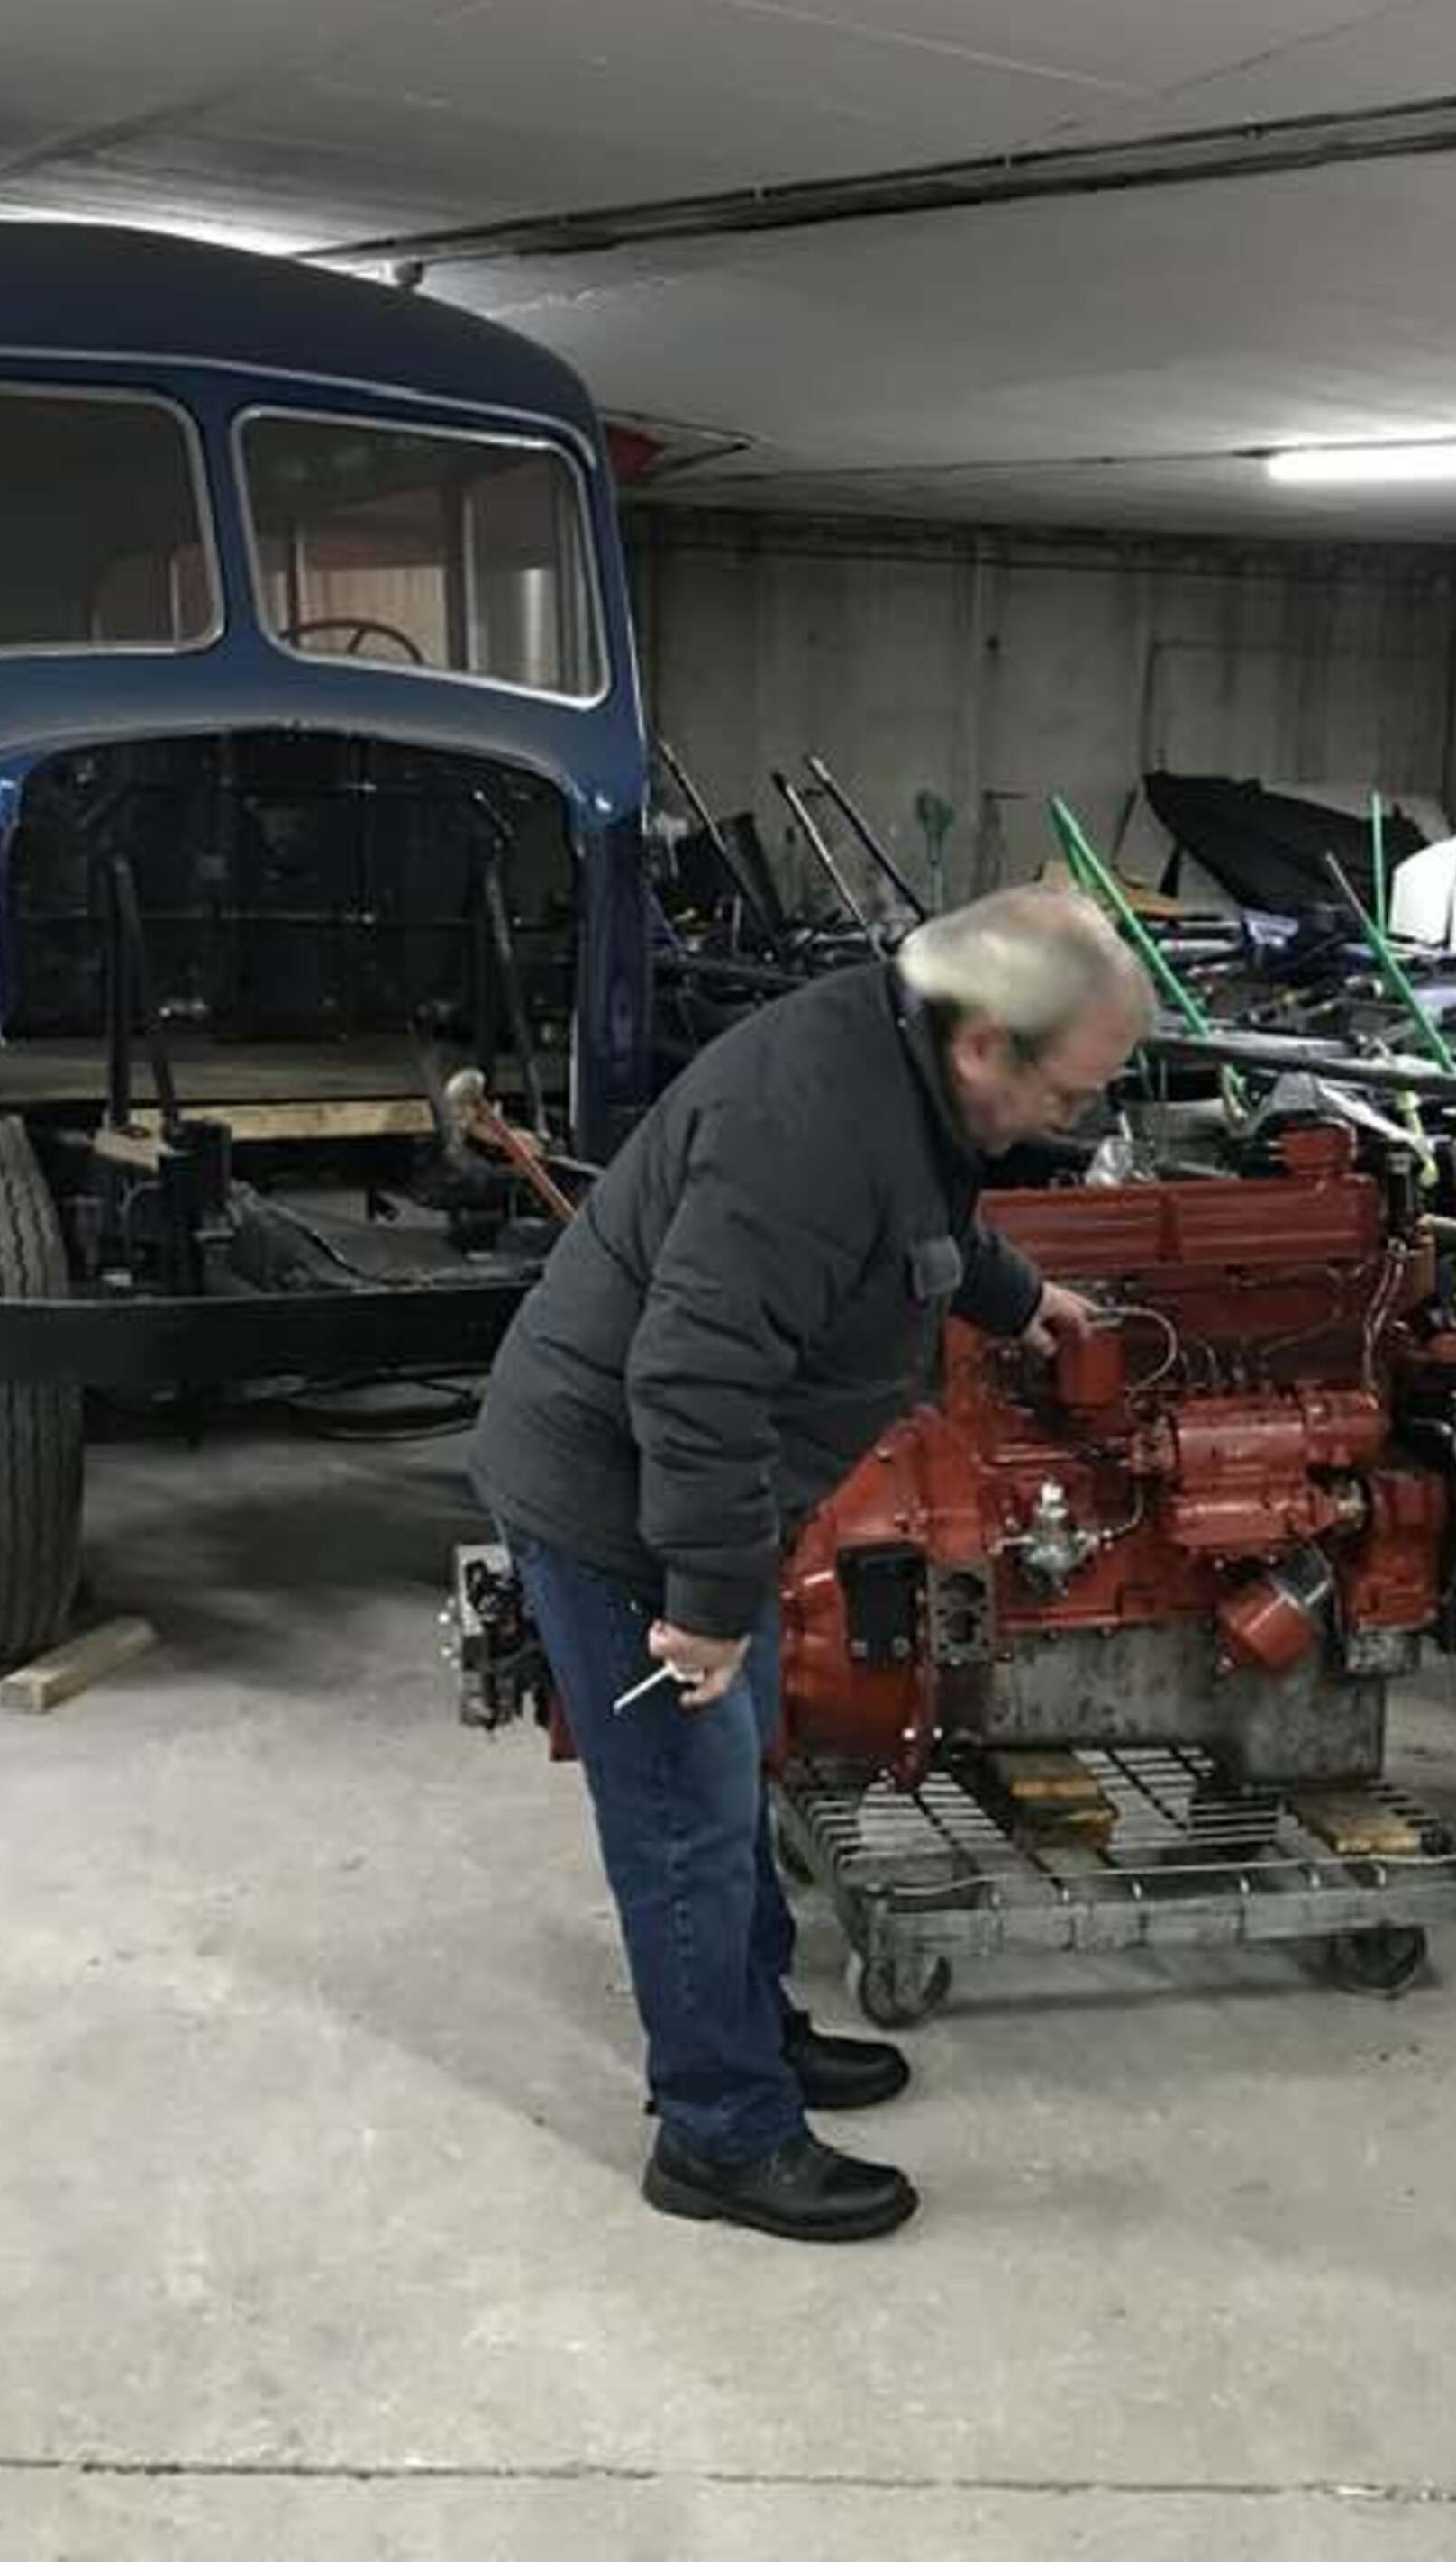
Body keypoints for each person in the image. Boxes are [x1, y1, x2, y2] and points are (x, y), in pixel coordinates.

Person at [469, 883, 1154, 2240]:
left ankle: (753, 2031)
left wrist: (1025, 1302)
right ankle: (720, 2133)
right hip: (621, 1506)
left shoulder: (900, 1073)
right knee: (685, 1822)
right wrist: (710, 1608)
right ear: (982, 1046)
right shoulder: (817, 1128)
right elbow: (693, 1379)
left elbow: (925, 1226)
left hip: (697, 1496)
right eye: (1069, 1096)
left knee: (736, 1786)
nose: (1074, 1125)